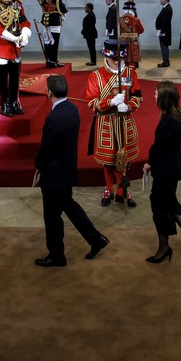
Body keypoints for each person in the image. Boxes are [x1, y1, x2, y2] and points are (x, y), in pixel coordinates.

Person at [35, 75, 109, 267]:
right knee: (69, 206)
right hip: (67, 170)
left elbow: (46, 149)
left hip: (53, 175)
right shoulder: (72, 109)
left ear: (49, 92)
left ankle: (57, 255)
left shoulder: (53, 118)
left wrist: (39, 166)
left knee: (52, 217)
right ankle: (95, 239)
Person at [143, 81, 181, 263]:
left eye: (156, 94)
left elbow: (159, 148)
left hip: (166, 170)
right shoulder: (178, 114)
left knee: (159, 206)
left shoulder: (168, 121)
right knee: (169, 202)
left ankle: (164, 247)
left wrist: (149, 163)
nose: (153, 97)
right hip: (173, 165)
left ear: (164, 98)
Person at [86, 38, 143, 207]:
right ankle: (109, 189)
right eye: (114, 60)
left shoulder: (130, 73)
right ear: (106, 57)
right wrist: (109, 102)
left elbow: (138, 96)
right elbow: (91, 102)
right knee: (108, 160)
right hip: (106, 122)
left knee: (123, 158)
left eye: (120, 60)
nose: (117, 62)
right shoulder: (95, 76)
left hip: (124, 120)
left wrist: (129, 106)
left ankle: (121, 191)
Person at [37, 0, 68, 68]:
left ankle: (48, 60)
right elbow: (60, 7)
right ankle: (54, 61)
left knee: (47, 40)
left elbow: (42, 5)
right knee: (54, 41)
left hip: (45, 19)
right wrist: (64, 12)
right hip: (54, 19)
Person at [119, 0, 145, 68]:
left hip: (122, 40)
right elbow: (141, 30)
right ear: (132, 10)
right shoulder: (136, 20)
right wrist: (134, 34)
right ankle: (132, 68)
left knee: (123, 54)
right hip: (133, 40)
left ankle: (123, 67)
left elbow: (117, 30)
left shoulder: (120, 19)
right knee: (132, 56)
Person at [156, 0, 173, 67]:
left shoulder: (168, 8)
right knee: (163, 46)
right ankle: (165, 61)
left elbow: (165, 21)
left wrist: (162, 31)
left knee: (164, 46)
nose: (161, 0)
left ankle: (166, 62)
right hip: (163, 31)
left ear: (166, 0)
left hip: (164, 31)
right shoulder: (165, 8)